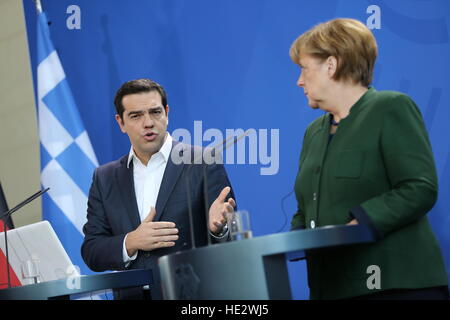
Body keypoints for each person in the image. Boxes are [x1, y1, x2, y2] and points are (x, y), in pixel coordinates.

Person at [289, 18, 448, 300]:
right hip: (331, 288)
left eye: (304, 69)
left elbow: (420, 187)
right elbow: (306, 208)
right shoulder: (313, 132)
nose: (299, 80)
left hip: (395, 287)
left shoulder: (390, 108)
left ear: (331, 65)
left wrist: (359, 223)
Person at [81, 78, 236, 299]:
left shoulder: (203, 162)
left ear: (166, 113)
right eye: (136, 116)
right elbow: (92, 250)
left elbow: (230, 241)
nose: (148, 123)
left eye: (155, 112)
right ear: (121, 123)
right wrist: (131, 241)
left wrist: (218, 230)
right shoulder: (104, 178)